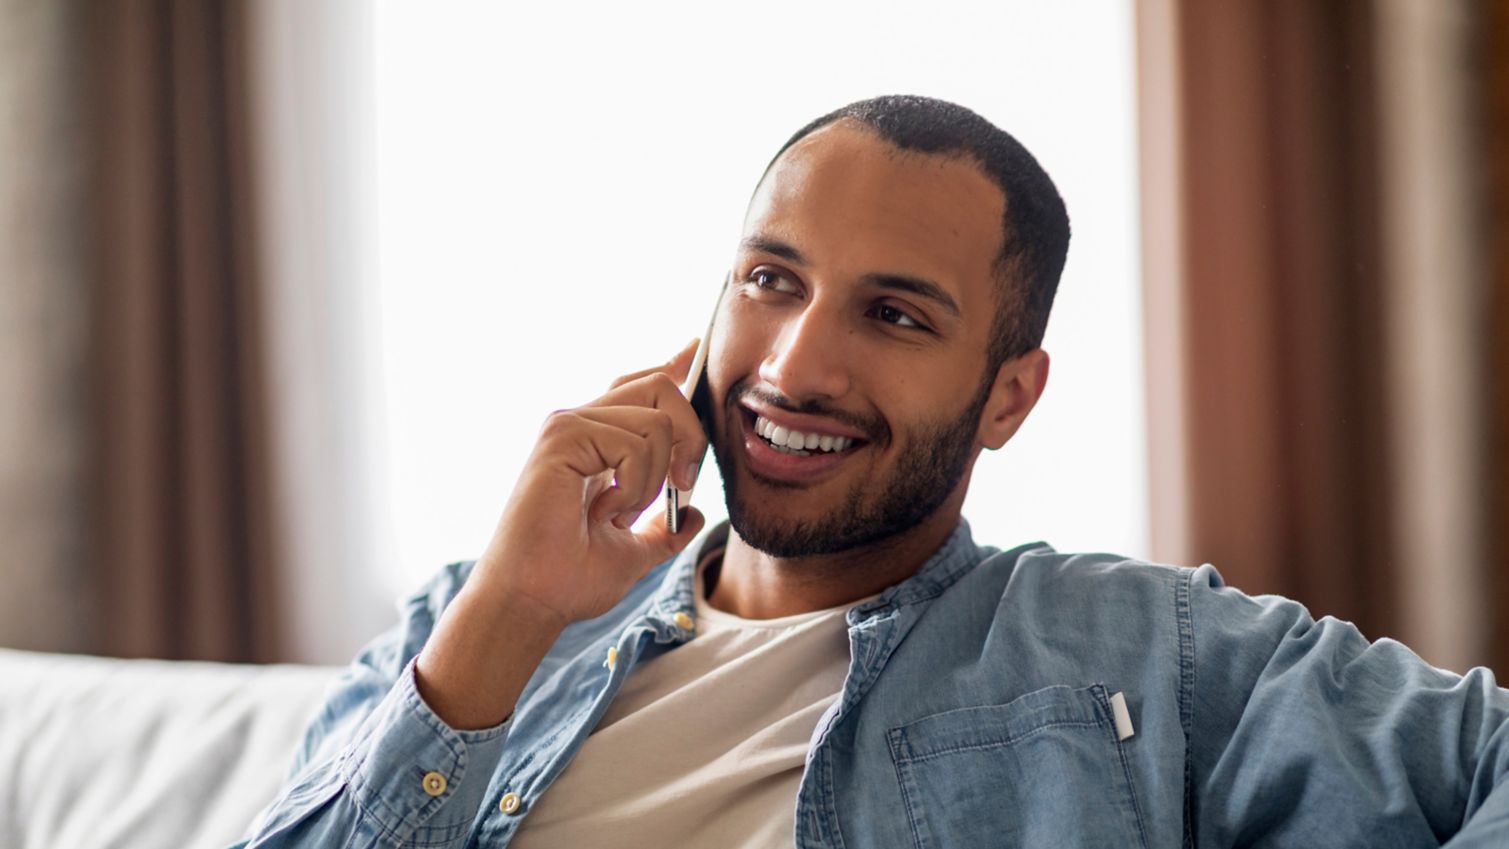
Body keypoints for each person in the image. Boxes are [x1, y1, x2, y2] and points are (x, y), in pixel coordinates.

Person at [238, 96, 1509, 848]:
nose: (796, 366)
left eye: (895, 316)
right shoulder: (472, 623)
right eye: (771, 282)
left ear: (1008, 395)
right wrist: (506, 617)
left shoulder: (1139, 654)